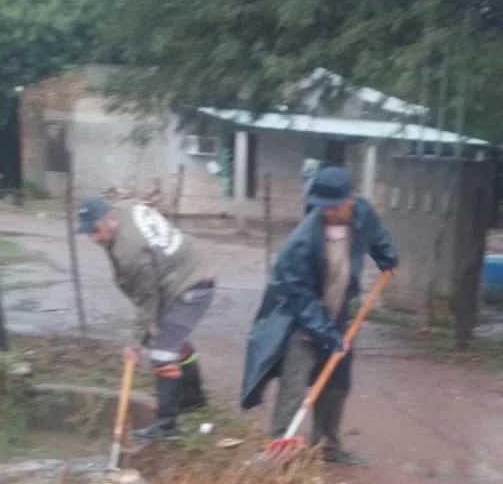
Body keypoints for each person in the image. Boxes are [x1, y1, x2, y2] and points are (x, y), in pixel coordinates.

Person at [240, 165, 398, 464]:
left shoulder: (361, 212)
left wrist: (387, 256)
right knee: (294, 386)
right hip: (302, 322)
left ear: (349, 199)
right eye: (320, 206)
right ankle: (279, 451)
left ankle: (328, 446)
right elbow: (302, 300)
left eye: (332, 206)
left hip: (338, 316)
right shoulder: (299, 244)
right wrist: (327, 336)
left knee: (337, 385)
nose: (324, 212)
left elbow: (375, 233)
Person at [76, 195, 215, 439]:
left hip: (191, 283)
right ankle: (193, 397)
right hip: (185, 271)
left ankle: (167, 425)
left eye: (95, 231)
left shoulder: (131, 252)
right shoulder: (123, 208)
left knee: (162, 351)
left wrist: (134, 343)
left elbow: (147, 300)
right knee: (170, 336)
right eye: (89, 233)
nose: (93, 239)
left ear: (110, 219)